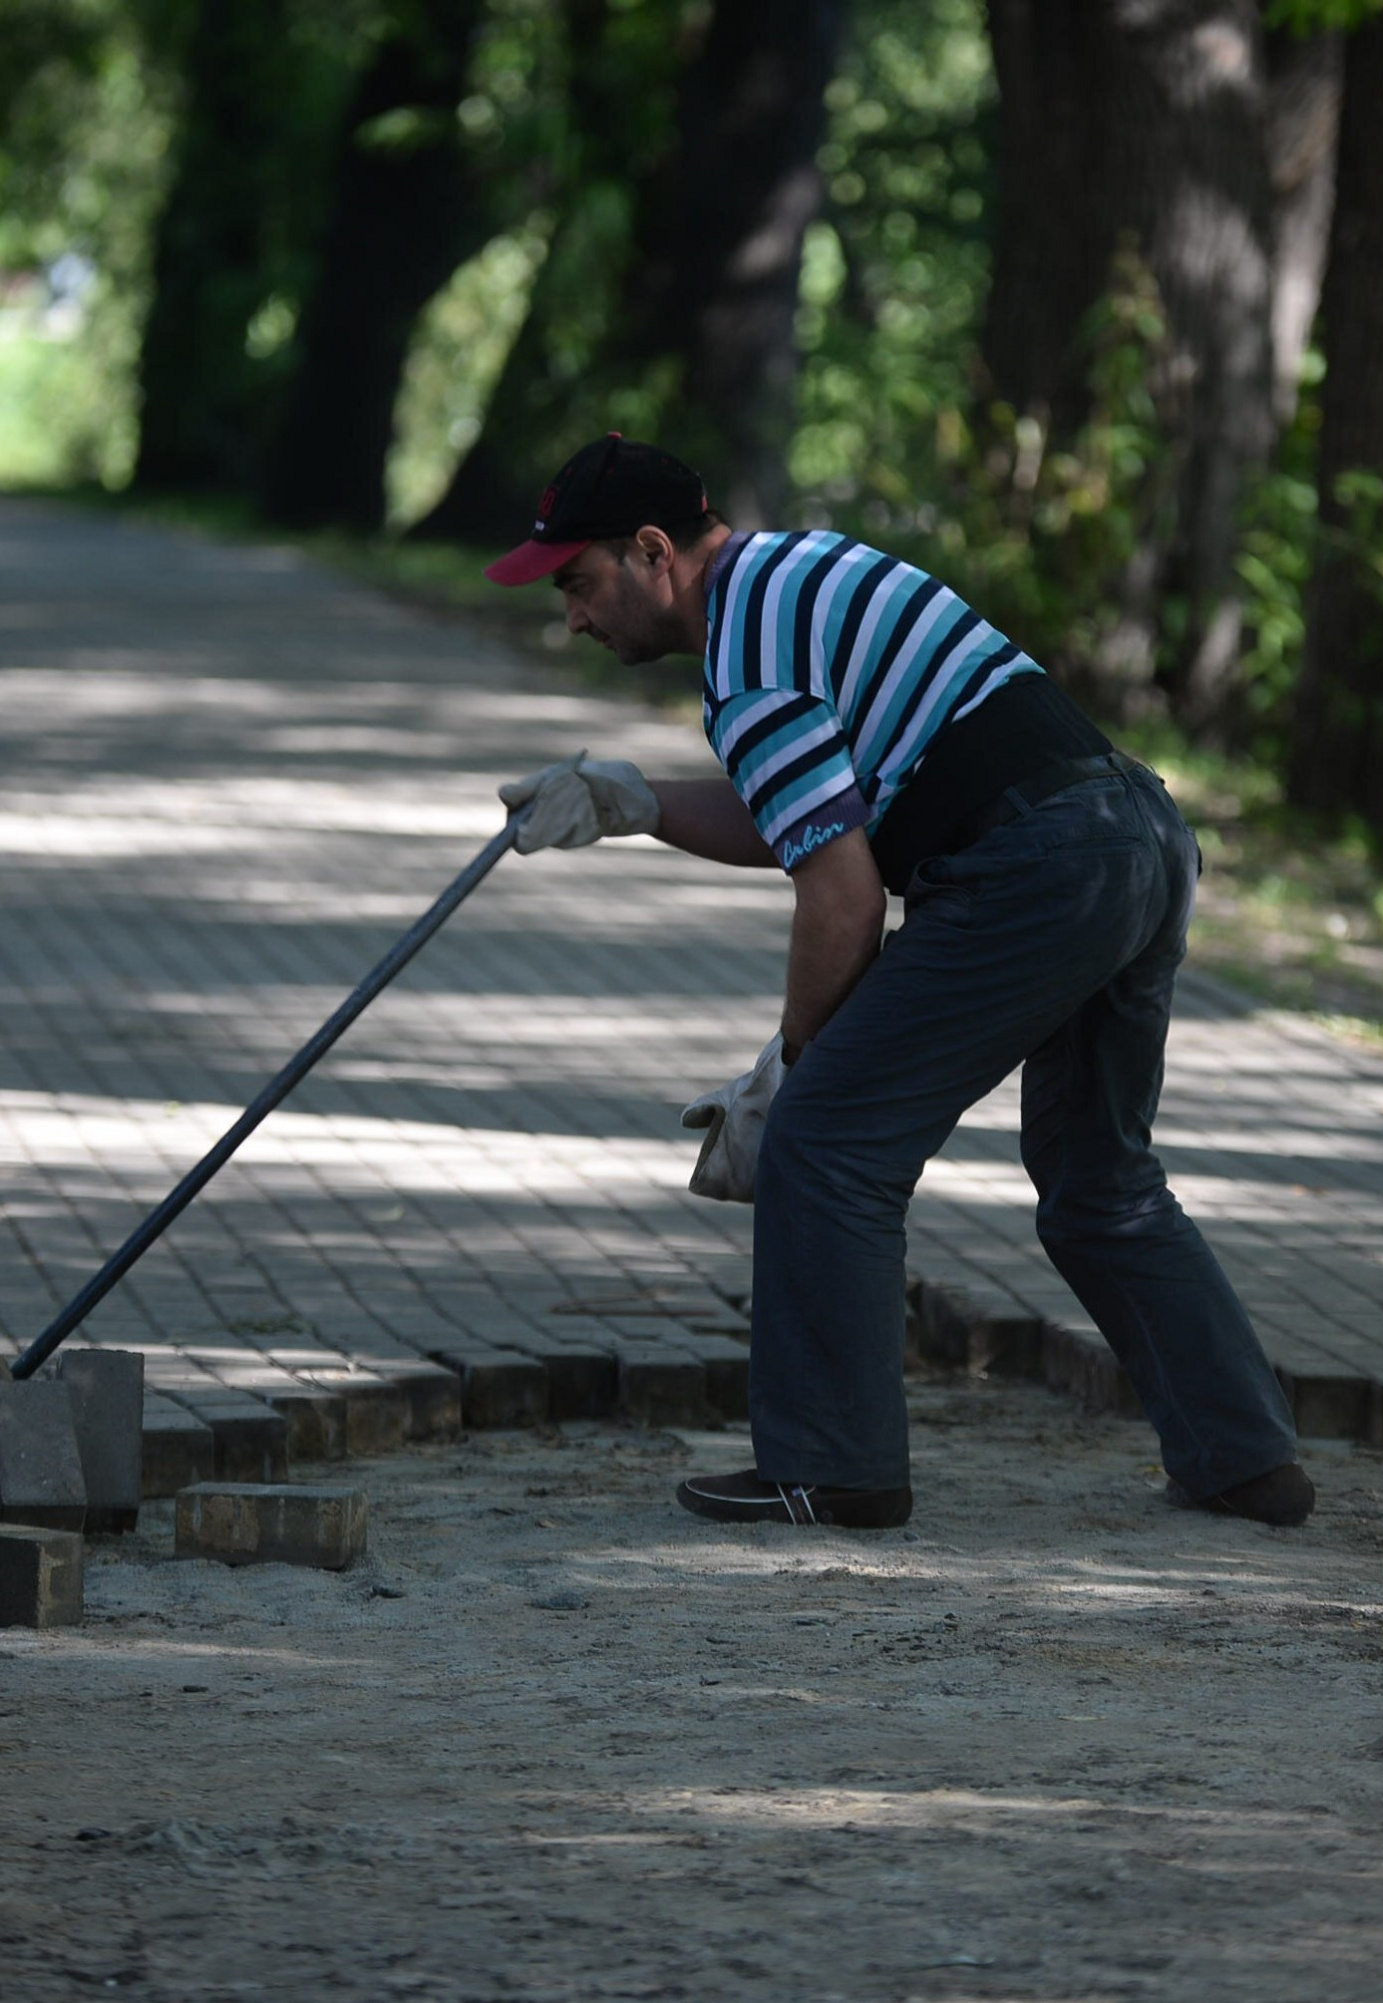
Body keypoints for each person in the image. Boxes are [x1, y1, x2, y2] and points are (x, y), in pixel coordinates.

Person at [486, 434, 1311, 1531]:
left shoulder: (747, 653)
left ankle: (834, 1466)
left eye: (580, 585)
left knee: (826, 1144)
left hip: (1039, 865)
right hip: (1136, 834)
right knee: (1096, 1176)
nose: (575, 618)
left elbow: (843, 896)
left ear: (653, 552)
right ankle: (1246, 1458)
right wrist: (633, 801)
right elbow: (815, 814)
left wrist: (788, 1067)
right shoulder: (800, 576)